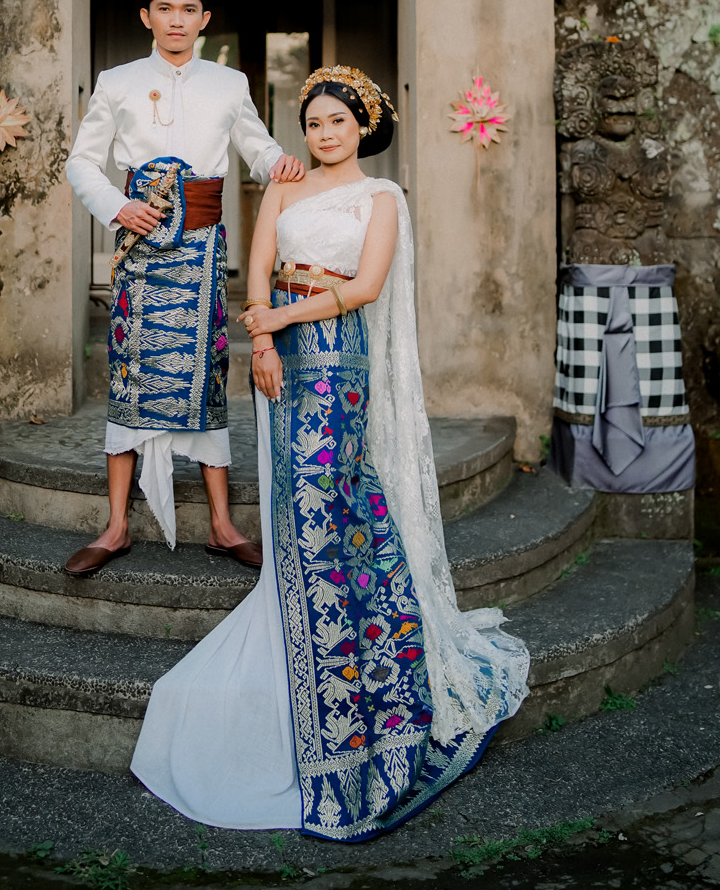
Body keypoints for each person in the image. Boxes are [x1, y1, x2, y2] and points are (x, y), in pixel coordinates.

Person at [132, 65, 530, 841]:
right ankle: (300, 624)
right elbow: (258, 267)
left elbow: (367, 286)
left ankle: (356, 640)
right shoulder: (283, 186)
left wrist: (282, 323)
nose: (324, 133)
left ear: (362, 127)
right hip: (277, 353)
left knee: (325, 489)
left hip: (336, 350)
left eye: (337, 122)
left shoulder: (381, 197)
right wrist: (260, 339)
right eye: (314, 122)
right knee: (294, 496)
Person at [63, 0, 305, 574]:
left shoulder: (229, 83)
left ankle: (223, 527)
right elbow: (82, 163)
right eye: (164, 9)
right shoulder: (117, 82)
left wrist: (282, 163)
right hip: (139, 250)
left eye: (188, 10)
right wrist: (118, 206)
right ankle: (116, 527)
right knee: (131, 378)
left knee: (206, 376)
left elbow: (258, 149)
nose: (176, 20)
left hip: (202, 252)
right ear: (146, 16)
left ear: (204, 19)